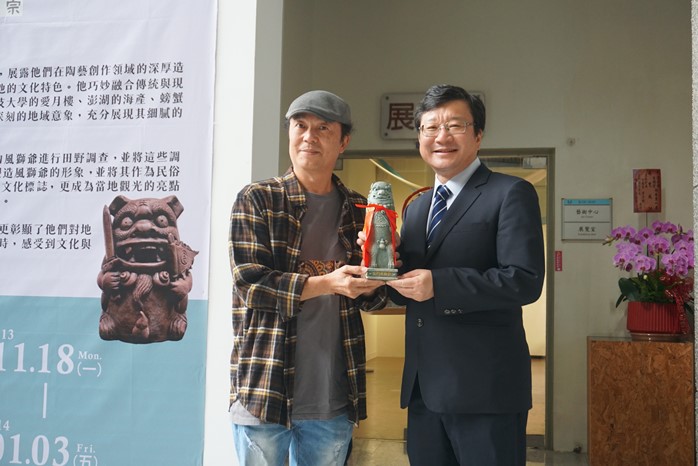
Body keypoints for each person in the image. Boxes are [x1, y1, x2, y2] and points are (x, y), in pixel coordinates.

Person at [387, 84, 545, 466]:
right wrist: (382, 264)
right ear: (420, 138)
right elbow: (408, 288)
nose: (441, 137)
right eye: (430, 127)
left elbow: (524, 279)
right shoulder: (418, 208)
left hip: (486, 392)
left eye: (455, 125)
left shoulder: (510, 192)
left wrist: (439, 285)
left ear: (478, 135)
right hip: (424, 392)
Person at [228, 90, 387, 466]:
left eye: (323, 128)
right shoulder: (258, 199)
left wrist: (381, 271)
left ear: (343, 141)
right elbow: (250, 284)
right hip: (264, 390)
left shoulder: (359, 208)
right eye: (300, 126)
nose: (309, 137)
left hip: (332, 397)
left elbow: (375, 300)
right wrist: (329, 283)